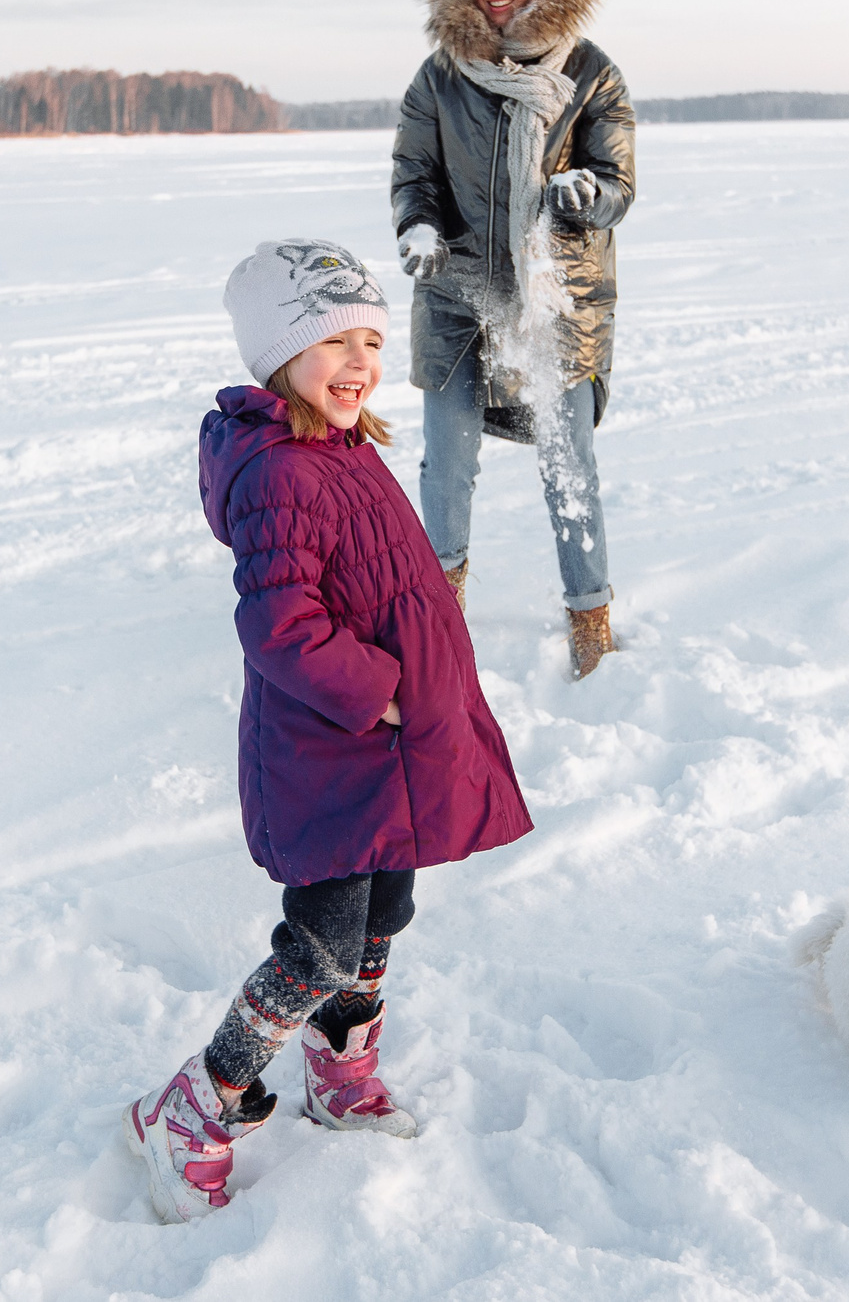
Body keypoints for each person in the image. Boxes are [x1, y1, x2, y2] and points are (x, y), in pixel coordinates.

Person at [125, 238, 532, 1224]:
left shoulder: (340, 448)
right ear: (279, 355)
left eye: (371, 342)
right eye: (334, 343)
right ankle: (193, 1105)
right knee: (318, 949)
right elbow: (280, 624)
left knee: (382, 919)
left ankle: (340, 1079)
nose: (359, 364)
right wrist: (383, 693)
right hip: (331, 756)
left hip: (383, 755)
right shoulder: (281, 474)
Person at [391, 0, 637, 677]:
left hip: (555, 299)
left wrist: (585, 195)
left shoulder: (590, 72)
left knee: (569, 464)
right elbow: (414, 173)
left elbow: (618, 179)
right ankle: (440, 609)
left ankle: (590, 617)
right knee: (447, 463)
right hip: (458, 295)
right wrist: (417, 228)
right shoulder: (439, 77)